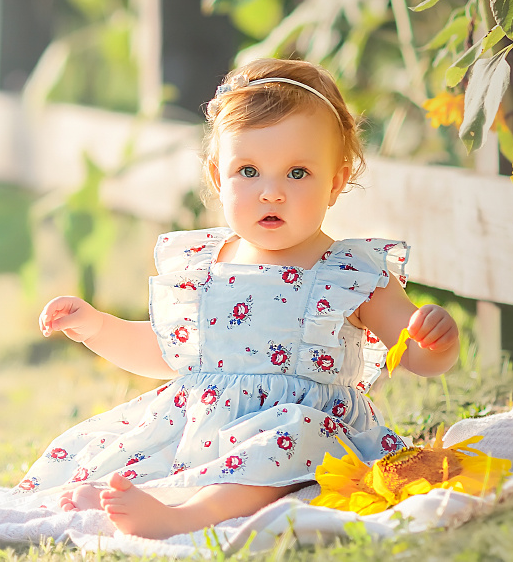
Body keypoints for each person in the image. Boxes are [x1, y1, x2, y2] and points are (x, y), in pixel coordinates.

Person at [28, 58, 459, 539]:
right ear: (218, 177)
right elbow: (168, 353)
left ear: (335, 183)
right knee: (138, 443)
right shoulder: (205, 263)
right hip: (207, 430)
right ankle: (143, 491)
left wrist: (435, 339)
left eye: (297, 173)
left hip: (305, 433)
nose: (271, 193)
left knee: (294, 438)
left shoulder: (350, 274)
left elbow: (417, 353)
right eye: (248, 171)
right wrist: (98, 327)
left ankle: (184, 517)